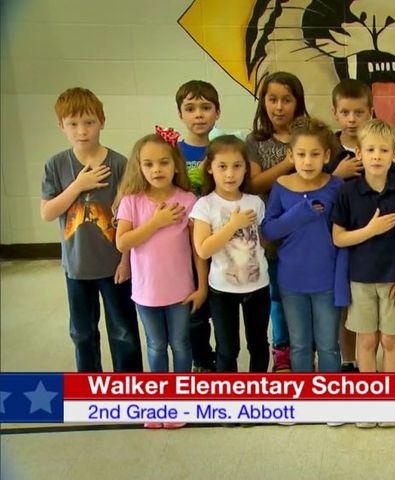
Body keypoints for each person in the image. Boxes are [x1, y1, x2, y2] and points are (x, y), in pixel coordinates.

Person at [40, 87, 142, 373]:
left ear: (102, 121)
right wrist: (77, 186)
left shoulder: (119, 164)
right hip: (76, 266)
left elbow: (131, 217)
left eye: (89, 122)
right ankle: (89, 387)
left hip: (114, 266)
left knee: (124, 333)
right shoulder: (56, 164)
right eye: (72, 124)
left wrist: (126, 261)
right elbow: (47, 212)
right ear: (61, 126)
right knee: (82, 333)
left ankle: (128, 385)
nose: (82, 131)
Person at [115, 127, 206, 428]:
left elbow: (197, 250)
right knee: (155, 346)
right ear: (139, 167)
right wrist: (156, 222)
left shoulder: (188, 200)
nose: (157, 169)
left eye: (164, 162)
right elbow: (122, 242)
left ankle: (180, 402)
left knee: (180, 344)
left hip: (180, 290)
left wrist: (202, 286)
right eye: (149, 164)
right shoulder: (132, 201)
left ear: (176, 165)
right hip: (146, 292)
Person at [332, 119, 395, 428]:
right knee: (366, 341)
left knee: (390, 340)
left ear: (394, 154)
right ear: (359, 154)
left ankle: (390, 402)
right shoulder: (348, 192)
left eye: (383, 150)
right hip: (360, 281)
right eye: (370, 150)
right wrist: (370, 230)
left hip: (393, 280)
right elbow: (339, 238)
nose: (376, 156)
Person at [261, 118, 346, 373]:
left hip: (326, 280)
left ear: (326, 155)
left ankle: (330, 394)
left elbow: (344, 234)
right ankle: (303, 393)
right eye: (301, 154)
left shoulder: (336, 186)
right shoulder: (281, 186)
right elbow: (268, 230)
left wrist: (342, 280)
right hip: (292, 281)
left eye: (315, 154)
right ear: (291, 155)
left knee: (328, 345)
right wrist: (300, 213)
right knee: (299, 346)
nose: (308, 161)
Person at [190, 135, 271, 373]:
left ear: (246, 168)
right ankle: (228, 390)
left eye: (237, 166)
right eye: (222, 166)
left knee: (259, 344)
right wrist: (232, 225)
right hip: (222, 290)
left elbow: (263, 241)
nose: (230, 174)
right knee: (227, 349)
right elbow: (203, 249)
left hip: (258, 287)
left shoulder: (255, 202)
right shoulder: (204, 205)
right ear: (210, 169)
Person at [246, 71, 309, 372]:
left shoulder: (308, 135)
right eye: (272, 99)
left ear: (298, 103)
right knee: (279, 296)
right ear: (263, 102)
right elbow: (254, 183)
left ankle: (306, 346)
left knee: (307, 293)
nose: (279, 107)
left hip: (308, 233)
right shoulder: (255, 141)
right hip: (271, 234)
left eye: (286, 100)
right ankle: (282, 349)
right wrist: (287, 163)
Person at [175, 79, 221, 372]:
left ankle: (224, 357)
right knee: (195, 307)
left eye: (205, 107)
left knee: (221, 305)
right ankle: (202, 360)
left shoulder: (224, 150)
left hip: (221, 239)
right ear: (180, 114)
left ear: (218, 112)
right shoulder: (173, 152)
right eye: (190, 108)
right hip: (184, 242)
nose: (199, 114)